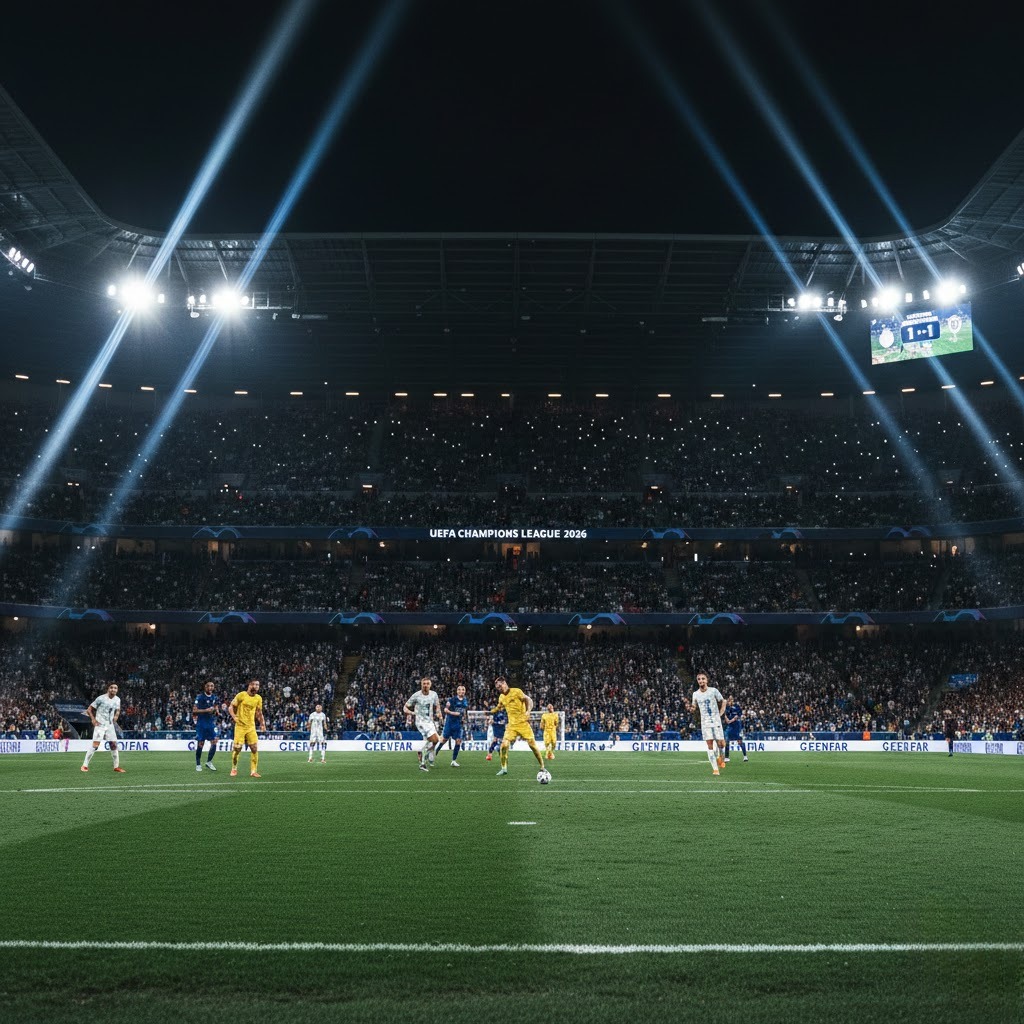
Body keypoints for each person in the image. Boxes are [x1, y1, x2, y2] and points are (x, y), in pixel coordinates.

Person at [488, 676, 545, 777]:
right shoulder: (501, 697)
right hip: (511, 726)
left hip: (523, 724)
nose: (499, 689)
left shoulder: (517, 691)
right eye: (497, 688)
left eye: (500, 686)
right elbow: (499, 707)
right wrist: (491, 712)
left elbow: (528, 700)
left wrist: (528, 711)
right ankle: (504, 768)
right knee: (504, 745)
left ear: (504, 683)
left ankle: (542, 766)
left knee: (532, 745)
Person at [81, 682, 126, 774]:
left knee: (113, 746)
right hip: (100, 725)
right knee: (95, 746)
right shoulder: (101, 698)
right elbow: (89, 709)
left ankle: (116, 767)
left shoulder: (117, 699)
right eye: (111, 687)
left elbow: (118, 709)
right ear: (108, 689)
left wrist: (116, 717)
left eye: (115, 688)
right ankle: (84, 765)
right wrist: (93, 719)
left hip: (110, 726)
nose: (113, 689)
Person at [691, 671, 726, 776]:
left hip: (716, 721)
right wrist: (690, 708)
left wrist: (721, 713)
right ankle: (715, 769)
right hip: (705, 722)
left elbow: (723, 701)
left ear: (707, 680)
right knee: (709, 744)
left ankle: (721, 757)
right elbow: (694, 707)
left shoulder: (713, 691)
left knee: (721, 744)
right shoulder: (695, 694)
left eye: (703, 678)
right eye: (699, 679)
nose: (701, 680)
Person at [229, 679, 265, 778]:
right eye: (255, 684)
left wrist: (262, 724)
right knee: (237, 749)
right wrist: (234, 717)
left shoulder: (258, 698)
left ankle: (253, 771)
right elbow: (231, 707)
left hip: (251, 727)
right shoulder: (241, 695)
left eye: (258, 685)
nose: (257, 687)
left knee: (254, 748)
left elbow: (259, 712)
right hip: (240, 726)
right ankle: (234, 768)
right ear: (250, 685)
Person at [404, 676, 441, 772]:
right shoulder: (416, 695)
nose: (425, 685)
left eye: (427, 684)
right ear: (421, 685)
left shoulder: (434, 694)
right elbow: (405, 707)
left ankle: (422, 752)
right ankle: (423, 764)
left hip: (430, 721)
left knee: (436, 741)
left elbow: (437, 705)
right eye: (424, 684)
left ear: (430, 685)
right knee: (434, 739)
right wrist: (412, 713)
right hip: (420, 722)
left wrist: (439, 713)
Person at [193, 680, 220, 772]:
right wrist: (206, 710)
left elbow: (216, 709)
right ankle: (198, 764)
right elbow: (194, 711)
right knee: (201, 743)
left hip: (210, 723)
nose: (210, 688)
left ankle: (209, 762)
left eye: (212, 686)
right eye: (208, 686)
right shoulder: (200, 697)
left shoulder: (215, 697)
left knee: (214, 742)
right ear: (205, 687)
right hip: (201, 723)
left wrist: (216, 712)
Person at [439, 684, 469, 766]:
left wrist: (464, 718)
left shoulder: (465, 701)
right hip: (450, 723)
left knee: (458, 741)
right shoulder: (452, 699)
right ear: (457, 691)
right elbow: (446, 707)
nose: (461, 691)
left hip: (458, 724)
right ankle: (435, 753)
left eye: (463, 690)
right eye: (460, 689)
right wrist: (448, 709)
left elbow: (462, 712)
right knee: (444, 740)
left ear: (465, 691)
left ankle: (453, 761)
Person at [723, 695, 748, 763]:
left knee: (739, 741)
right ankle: (727, 757)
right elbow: (724, 714)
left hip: (736, 726)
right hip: (729, 726)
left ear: (733, 700)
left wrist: (730, 721)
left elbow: (737, 716)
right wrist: (727, 719)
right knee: (727, 741)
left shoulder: (737, 707)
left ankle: (745, 756)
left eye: (731, 699)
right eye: (729, 700)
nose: (730, 701)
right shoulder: (727, 707)